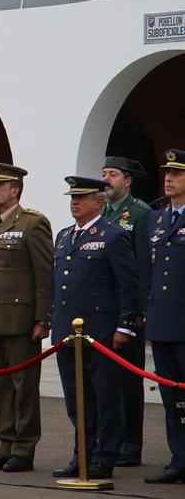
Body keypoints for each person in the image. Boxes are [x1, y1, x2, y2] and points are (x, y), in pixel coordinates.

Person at [48, 176, 139, 481]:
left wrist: (125, 326)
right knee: (77, 400)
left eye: (82, 197)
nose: (75, 201)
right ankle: (82, 455)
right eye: (72, 197)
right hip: (67, 333)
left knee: (105, 399)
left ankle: (104, 456)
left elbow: (127, 284)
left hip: (99, 332)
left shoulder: (112, 236)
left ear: (99, 202)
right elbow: (56, 284)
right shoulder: (63, 237)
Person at [0, 163, 52, 473]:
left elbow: (44, 274)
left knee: (24, 386)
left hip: (20, 320)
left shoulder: (32, 223)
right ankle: (5, 444)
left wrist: (42, 318)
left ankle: (24, 448)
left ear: (14, 190)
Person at [100, 156, 152, 468]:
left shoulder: (140, 213)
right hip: (104, 308)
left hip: (127, 308)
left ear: (127, 181)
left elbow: (143, 265)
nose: (106, 178)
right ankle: (113, 440)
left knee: (129, 381)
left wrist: (139, 311)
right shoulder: (103, 211)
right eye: (104, 173)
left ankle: (131, 445)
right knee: (108, 380)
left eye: (113, 174)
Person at [142, 149, 185, 484]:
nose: (168, 179)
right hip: (162, 320)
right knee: (172, 397)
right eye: (166, 174)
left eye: (177, 174)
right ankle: (179, 457)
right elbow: (149, 271)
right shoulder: (157, 218)